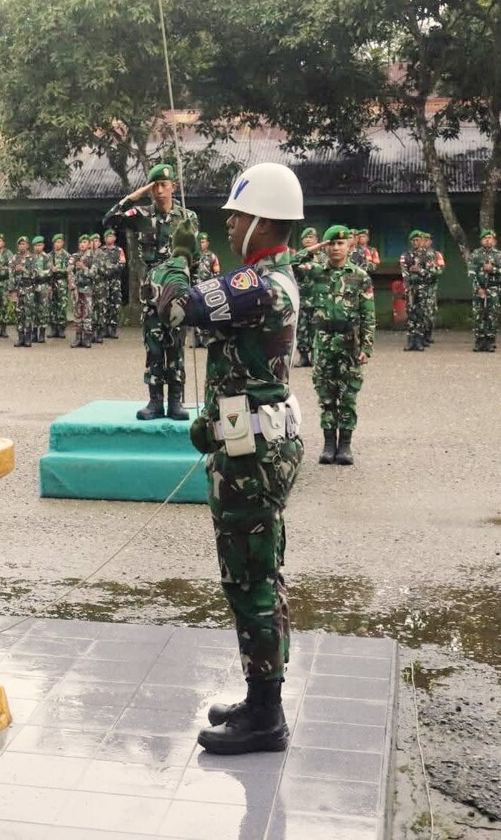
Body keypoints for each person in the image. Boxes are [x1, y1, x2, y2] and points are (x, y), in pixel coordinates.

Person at [149, 162, 304, 755]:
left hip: (254, 456)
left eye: (237, 215)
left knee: (249, 578)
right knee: (261, 572)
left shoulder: (257, 284)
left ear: (262, 220)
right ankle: (262, 695)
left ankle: (266, 716)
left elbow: (177, 308)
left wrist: (171, 255)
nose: (231, 225)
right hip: (254, 441)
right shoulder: (267, 280)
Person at [105, 163, 198, 421]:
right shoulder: (141, 216)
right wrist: (136, 195)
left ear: (173, 187)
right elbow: (110, 220)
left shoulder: (188, 218)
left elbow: (196, 258)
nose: (159, 191)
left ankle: (176, 401)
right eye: (154, 185)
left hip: (177, 291)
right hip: (152, 293)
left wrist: (196, 295)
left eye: (163, 185)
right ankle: (155, 402)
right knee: (154, 347)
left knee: (176, 346)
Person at [311, 225, 375, 465]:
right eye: (331, 244)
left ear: (349, 246)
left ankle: (345, 445)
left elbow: (368, 314)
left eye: (340, 243)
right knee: (326, 395)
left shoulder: (360, 276)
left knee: (348, 395)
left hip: (350, 343)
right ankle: (329, 444)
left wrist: (366, 348)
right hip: (324, 342)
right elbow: (291, 263)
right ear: (325, 247)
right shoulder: (317, 272)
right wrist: (315, 248)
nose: (336, 248)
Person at [291, 227, 326, 367]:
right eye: (305, 237)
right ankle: (304, 356)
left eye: (311, 237)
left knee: (317, 328)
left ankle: (316, 356)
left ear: (317, 240)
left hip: (318, 299)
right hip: (302, 299)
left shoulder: (324, 257)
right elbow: (291, 263)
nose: (308, 239)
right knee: (301, 329)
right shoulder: (297, 256)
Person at [399, 230, 437, 352]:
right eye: (413, 240)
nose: (415, 242)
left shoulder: (428, 255)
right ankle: (411, 341)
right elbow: (404, 273)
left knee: (421, 314)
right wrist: (407, 287)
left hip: (423, 288)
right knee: (411, 315)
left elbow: (433, 273)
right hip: (411, 288)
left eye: (418, 240)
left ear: (422, 241)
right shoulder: (406, 255)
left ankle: (419, 340)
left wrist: (420, 271)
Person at [468, 229, 501, 352]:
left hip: (494, 288)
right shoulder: (475, 254)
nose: (488, 240)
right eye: (485, 238)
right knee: (479, 315)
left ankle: (490, 340)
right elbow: (471, 273)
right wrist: (478, 288)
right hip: (480, 288)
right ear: (481, 241)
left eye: (490, 238)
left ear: (494, 241)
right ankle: (479, 340)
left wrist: (493, 269)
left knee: (492, 315)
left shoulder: (498, 255)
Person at [191, 233, 222, 348]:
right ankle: (196, 340)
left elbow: (216, 273)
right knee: (194, 313)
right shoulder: (194, 256)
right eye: (199, 241)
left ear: (207, 243)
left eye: (203, 241)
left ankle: (206, 339)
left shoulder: (212, 256)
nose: (201, 244)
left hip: (206, 289)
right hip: (194, 288)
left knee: (206, 313)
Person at [97, 228, 126, 339]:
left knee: (115, 304)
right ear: (104, 239)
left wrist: (111, 269)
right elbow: (99, 265)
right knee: (104, 303)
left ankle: (113, 328)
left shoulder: (119, 250)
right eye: (108, 236)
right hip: (103, 280)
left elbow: (123, 264)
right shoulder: (100, 251)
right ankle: (103, 328)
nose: (110, 238)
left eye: (112, 236)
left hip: (115, 281)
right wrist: (109, 270)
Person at [70, 235, 96, 348]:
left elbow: (94, 274)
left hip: (88, 289)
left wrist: (84, 267)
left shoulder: (93, 257)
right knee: (77, 314)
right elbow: (69, 271)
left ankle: (87, 338)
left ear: (89, 244)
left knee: (87, 314)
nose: (82, 244)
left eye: (84, 242)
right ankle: (78, 337)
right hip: (76, 290)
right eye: (80, 242)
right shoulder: (74, 256)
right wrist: (72, 286)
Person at [11, 236, 36, 347]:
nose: (22, 245)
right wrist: (12, 291)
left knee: (28, 314)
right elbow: (10, 275)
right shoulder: (14, 258)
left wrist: (24, 270)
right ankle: (20, 337)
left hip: (29, 289)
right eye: (20, 244)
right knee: (19, 314)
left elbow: (36, 274)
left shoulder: (33, 258)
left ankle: (28, 337)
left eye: (24, 243)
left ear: (27, 245)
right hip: (18, 289)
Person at [423, 231, 446, 345]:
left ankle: (428, 334)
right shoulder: (416, 255)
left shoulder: (436, 255)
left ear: (431, 242)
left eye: (427, 240)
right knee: (418, 312)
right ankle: (419, 335)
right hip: (418, 287)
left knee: (430, 312)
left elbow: (440, 270)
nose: (425, 242)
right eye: (423, 240)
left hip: (431, 288)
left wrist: (429, 270)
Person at [47, 233, 71, 338]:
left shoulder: (67, 255)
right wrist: (50, 270)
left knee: (62, 305)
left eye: (59, 242)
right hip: (52, 282)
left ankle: (61, 328)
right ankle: (53, 328)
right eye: (56, 242)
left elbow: (69, 269)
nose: (57, 244)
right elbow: (44, 268)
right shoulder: (49, 256)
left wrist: (59, 270)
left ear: (63, 243)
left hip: (62, 282)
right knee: (53, 305)